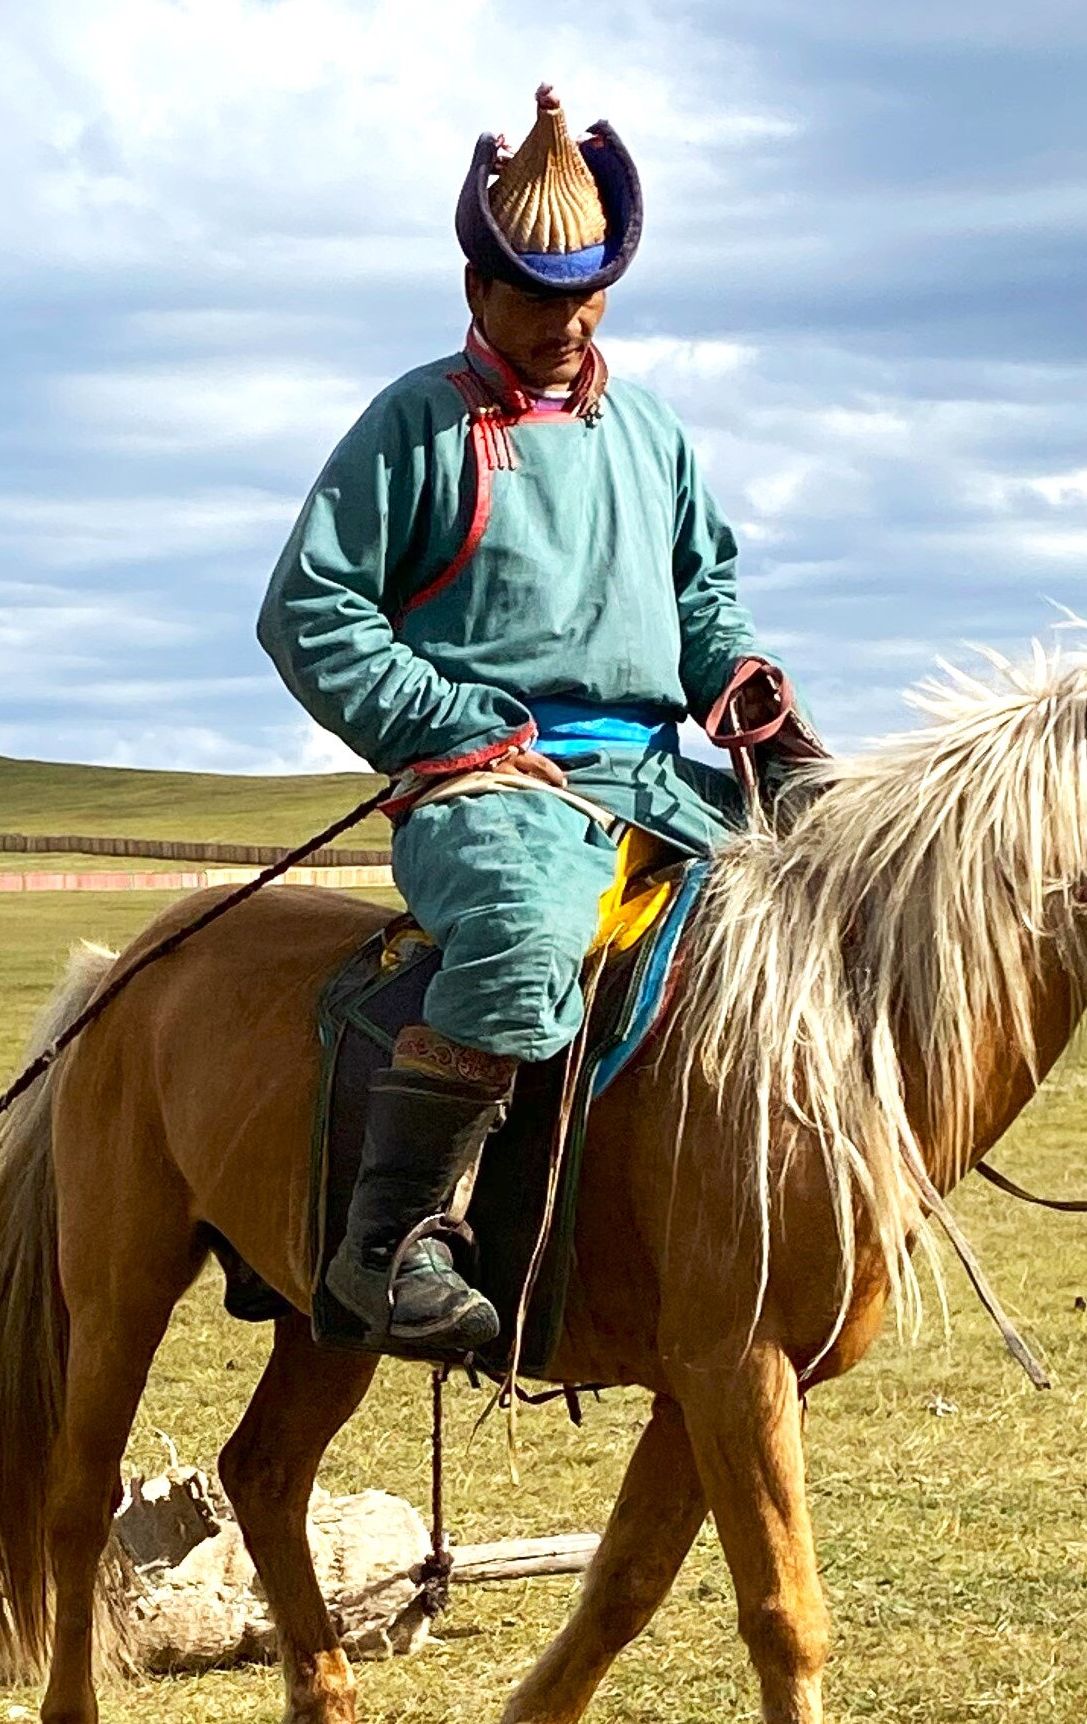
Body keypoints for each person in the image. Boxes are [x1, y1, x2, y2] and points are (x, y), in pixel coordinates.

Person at [258, 85, 822, 1358]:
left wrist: (739, 685)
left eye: (586, 293)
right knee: (527, 935)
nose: (564, 322)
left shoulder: (655, 432)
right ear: (476, 284)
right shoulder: (417, 423)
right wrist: (442, 719)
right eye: (533, 293)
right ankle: (391, 1242)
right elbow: (310, 606)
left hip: (658, 781)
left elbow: (702, 597)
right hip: (487, 788)